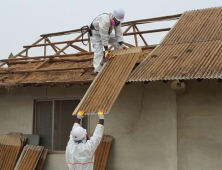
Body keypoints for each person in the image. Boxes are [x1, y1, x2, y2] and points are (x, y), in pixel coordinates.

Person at [89, 7, 128, 73]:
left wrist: (121, 43)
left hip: (106, 32)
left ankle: (121, 58)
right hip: (96, 34)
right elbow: (103, 35)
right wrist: (106, 49)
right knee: (98, 51)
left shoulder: (117, 21)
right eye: (117, 19)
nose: (117, 21)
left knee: (117, 42)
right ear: (113, 16)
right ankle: (97, 70)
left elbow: (118, 32)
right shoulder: (105, 20)